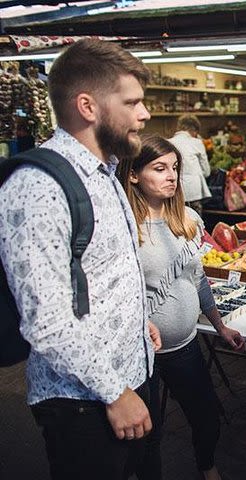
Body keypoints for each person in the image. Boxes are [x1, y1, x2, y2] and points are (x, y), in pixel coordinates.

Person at [0, 39, 160, 479]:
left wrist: (135, 321)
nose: (144, 115)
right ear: (88, 106)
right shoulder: (38, 188)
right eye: (132, 102)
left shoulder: (106, 172)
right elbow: (45, 322)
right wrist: (115, 394)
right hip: (85, 403)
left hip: (132, 374)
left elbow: (96, 273)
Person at [118, 134, 246, 480]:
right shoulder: (124, 228)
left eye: (175, 168)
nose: (172, 176)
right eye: (160, 168)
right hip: (142, 353)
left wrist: (220, 326)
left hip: (186, 345)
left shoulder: (188, 219)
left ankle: (207, 466)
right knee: (149, 434)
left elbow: (198, 279)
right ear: (133, 174)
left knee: (206, 417)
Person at [168, 114, 211, 217]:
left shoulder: (167, 143)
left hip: (173, 191)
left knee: (176, 223)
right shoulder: (197, 143)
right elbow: (206, 172)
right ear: (194, 131)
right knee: (195, 224)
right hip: (194, 192)